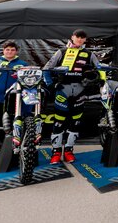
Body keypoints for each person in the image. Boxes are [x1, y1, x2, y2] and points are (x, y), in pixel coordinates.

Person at [44, 29, 103, 164]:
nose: (80, 40)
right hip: (63, 90)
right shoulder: (62, 52)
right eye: (78, 37)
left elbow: (99, 69)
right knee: (59, 121)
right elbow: (46, 69)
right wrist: (51, 85)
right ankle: (56, 151)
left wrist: (100, 80)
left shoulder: (89, 54)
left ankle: (69, 150)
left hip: (80, 91)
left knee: (76, 121)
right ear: (72, 37)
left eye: (83, 38)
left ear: (85, 40)